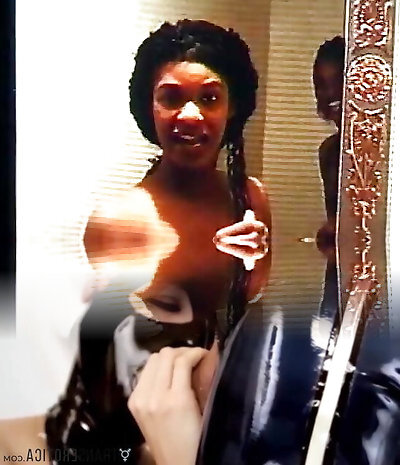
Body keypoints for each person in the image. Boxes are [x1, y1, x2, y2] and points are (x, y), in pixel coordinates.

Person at [43, 19, 271, 465]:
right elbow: (105, 358)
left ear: (233, 108)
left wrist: (253, 259)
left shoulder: (251, 199)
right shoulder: (119, 219)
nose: (190, 115)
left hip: (224, 411)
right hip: (133, 425)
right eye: (171, 98)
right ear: (150, 108)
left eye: (209, 98)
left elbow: (249, 304)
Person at [313, 36, 345, 253]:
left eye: (339, 80)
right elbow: (336, 227)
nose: (330, 93)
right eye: (321, 84)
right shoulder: (329, 153)